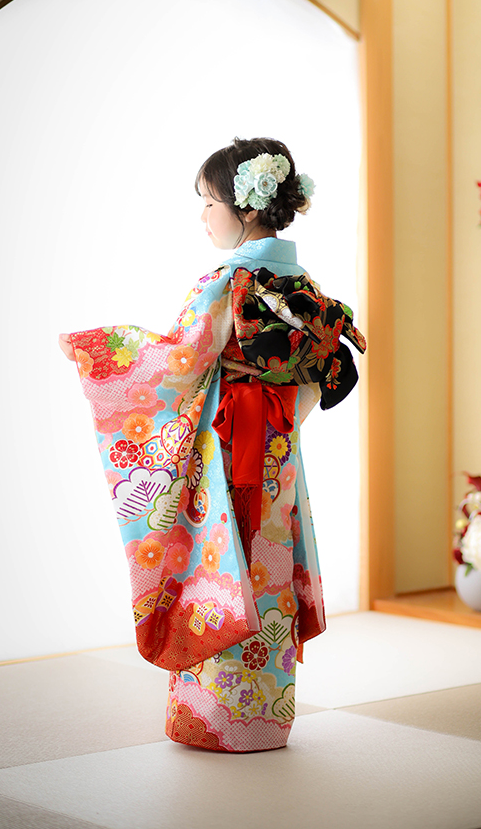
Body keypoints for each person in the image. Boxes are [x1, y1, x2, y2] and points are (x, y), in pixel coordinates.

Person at [59, 137, 365, 753]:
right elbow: (318, 375)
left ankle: (218, 720)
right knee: (267, 564)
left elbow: (176, 361)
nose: (202, 216)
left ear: (246, 206)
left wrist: (101, 353)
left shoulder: (228, 282)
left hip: (224, 455)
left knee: (217, 565)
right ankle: (265, 718)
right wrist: (281, 413)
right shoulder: (303, 286)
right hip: (277, 454)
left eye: (208, 202)